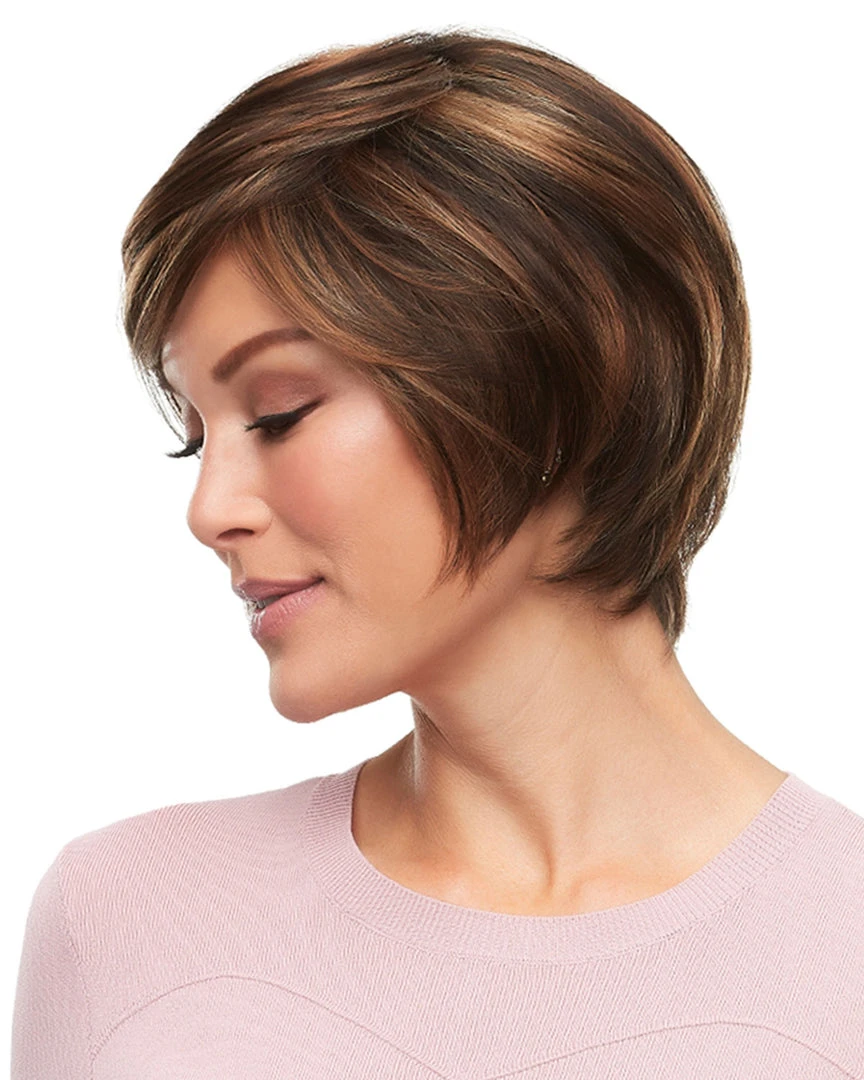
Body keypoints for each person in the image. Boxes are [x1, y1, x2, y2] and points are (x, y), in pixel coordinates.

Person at [12, 29, 863, 1079]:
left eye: (279, 413)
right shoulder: (124, 921)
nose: (210, 508)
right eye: (198, 437)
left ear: (554, 382)